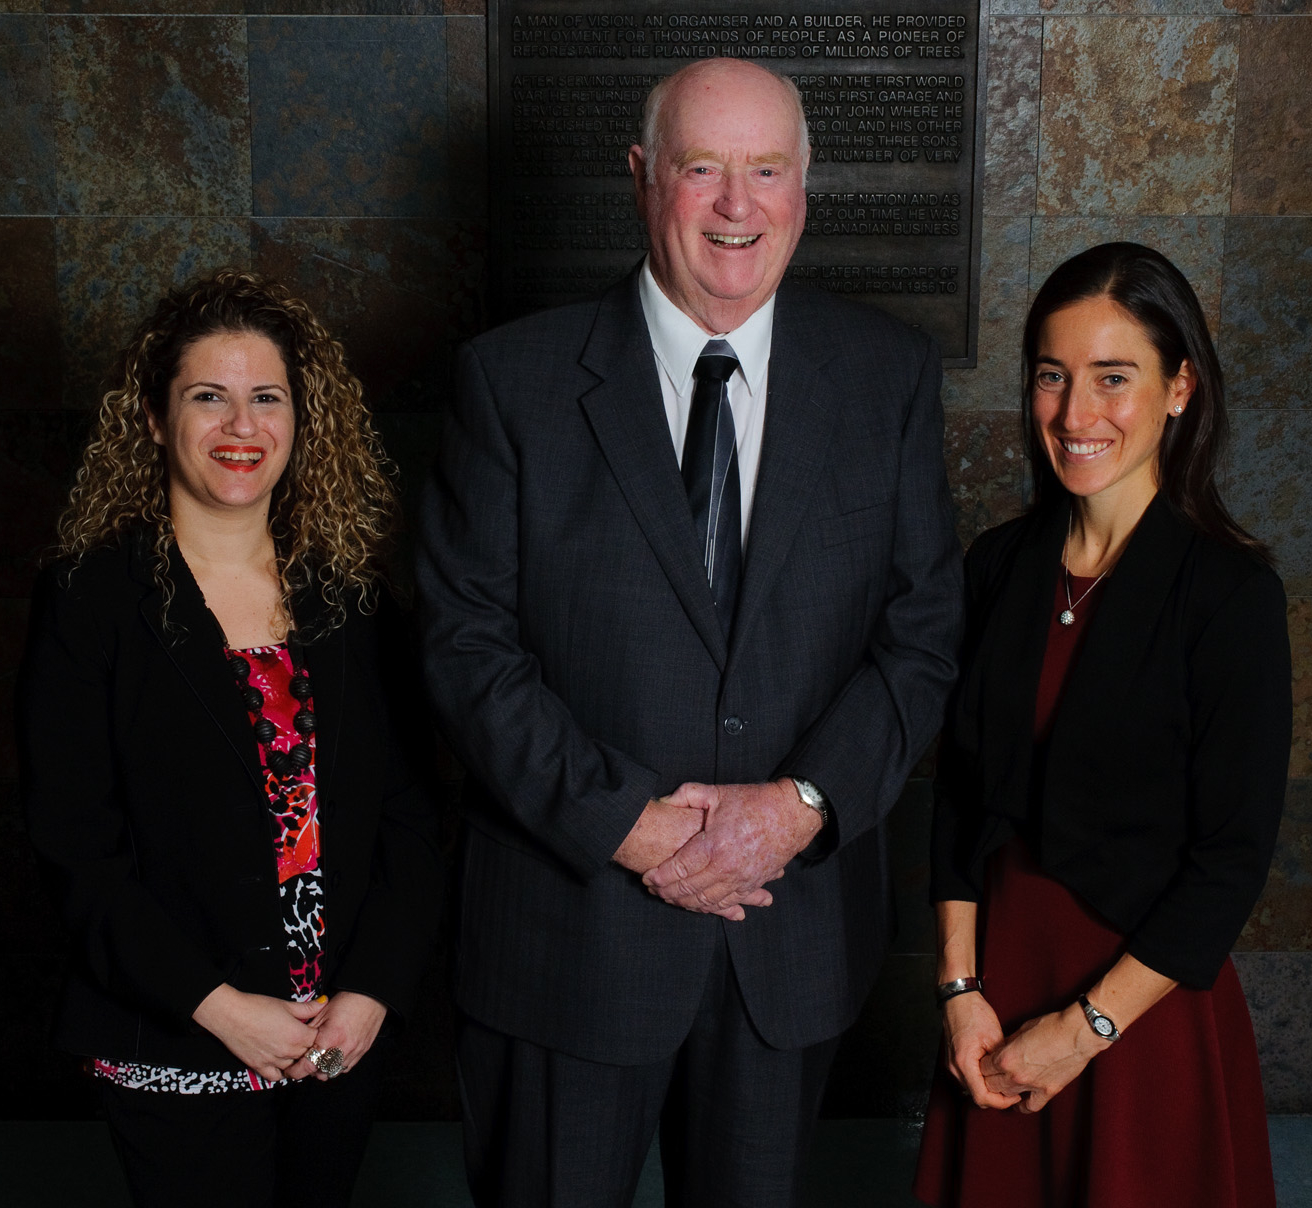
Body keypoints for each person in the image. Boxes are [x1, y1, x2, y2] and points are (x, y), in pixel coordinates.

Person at [417, 59, 961, 1206]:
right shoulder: (509, 383)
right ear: (640, 177)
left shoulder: (886, 377)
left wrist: (797, 807)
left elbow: (920, 632)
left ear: (803, 190)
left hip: (788, 939)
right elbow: (468, 646)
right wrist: (630, 823)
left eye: (766, 170)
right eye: (701, 167)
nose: (735, 204)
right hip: (570, 941)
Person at [18, 270, 442, 1208]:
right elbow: (75, 848)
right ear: (157, 419)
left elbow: (415, 820)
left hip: (337, 1037)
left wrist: (371, 992)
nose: (240, 427)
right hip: (175, 1034)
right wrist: (219, 1009)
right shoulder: (93, 600)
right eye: (208, 397)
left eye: (266, 398)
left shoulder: (355, 599)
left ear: (302, 421)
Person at [913, 242, 1290, 1207]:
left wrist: (1081, 1032)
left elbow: (1232, 859)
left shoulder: (1228, 593)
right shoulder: (997, 568)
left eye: (1113, 379)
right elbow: (958, 799)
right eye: (1052, 378)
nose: (1076, 415)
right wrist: (961, 996)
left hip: (1140, 1016)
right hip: (995, 1004)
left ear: (1179, 390)